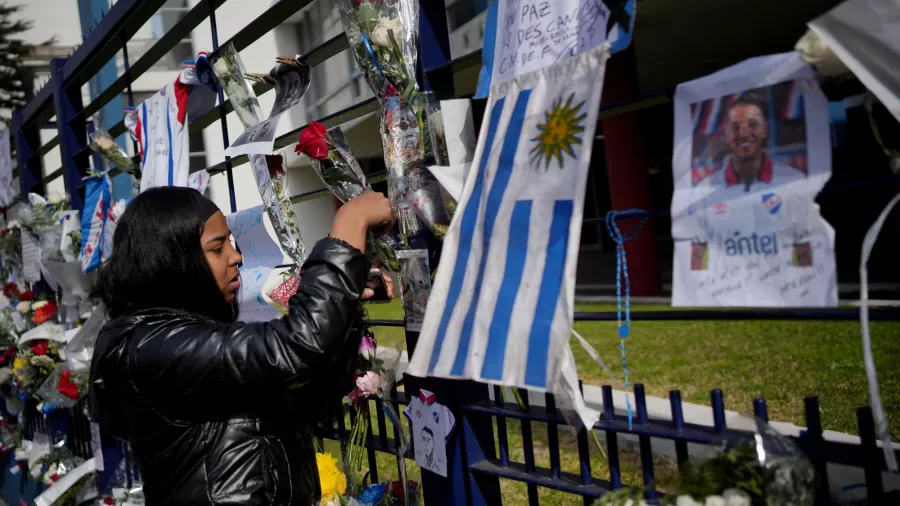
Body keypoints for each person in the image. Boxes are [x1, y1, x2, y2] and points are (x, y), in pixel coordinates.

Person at [89, 186, 394, 506]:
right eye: (217, 247)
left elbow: (308, 400)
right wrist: (350, 220)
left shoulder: (181, 337)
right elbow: (296, 342)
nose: (236, 256)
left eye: (230, 243)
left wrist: (342, 308)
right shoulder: (150, 346)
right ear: (170, 262)